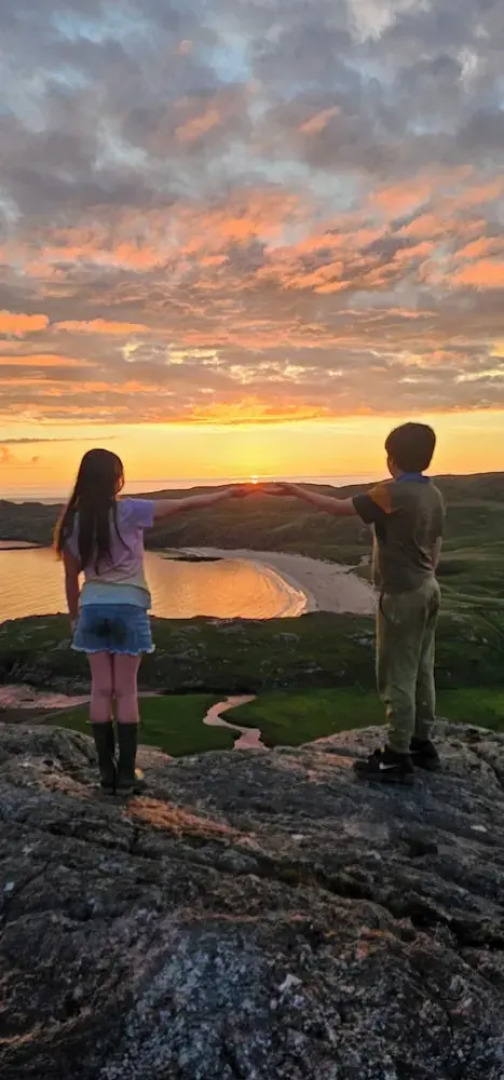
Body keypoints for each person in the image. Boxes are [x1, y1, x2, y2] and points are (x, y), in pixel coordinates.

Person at [55, 449, 248, 797]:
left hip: (93, 609)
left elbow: (71, 579)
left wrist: (73, 618)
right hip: (129, 606)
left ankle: (106, 774)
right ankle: (127, 775)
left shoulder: (72, 522)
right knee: (126, 690)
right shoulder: (129, 511)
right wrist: (226, 494)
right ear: (116, 478)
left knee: (100, 688)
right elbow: (184, 504)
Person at [266, 422, 445, 785]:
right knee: (422, 669)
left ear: (391, 458)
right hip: (429, 587)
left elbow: (336, 508)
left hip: (402, 595)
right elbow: (436, 543)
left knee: (396, 674)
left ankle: (397, 756)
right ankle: (421, 743)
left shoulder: (393, 492)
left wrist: (295, 491)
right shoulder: (434, 495)